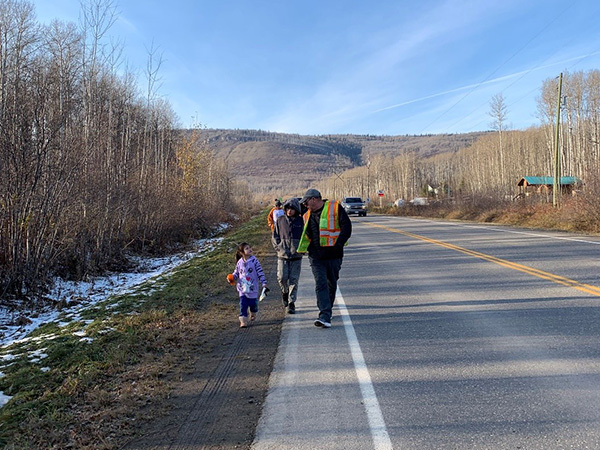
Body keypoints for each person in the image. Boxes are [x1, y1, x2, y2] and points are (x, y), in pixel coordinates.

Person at [298, 188, 352, 328]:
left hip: (334, 255)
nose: (305, 205)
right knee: (320, 283)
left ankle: (327, 310)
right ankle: (324, 315)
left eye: (306, 202)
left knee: (331, 284)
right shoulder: (306, 215)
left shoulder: (334, 207)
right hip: (316, 257)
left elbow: (346, 227)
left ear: (314, 199)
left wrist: (338, 244)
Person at [272, 197, 304, 314]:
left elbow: (305, 237)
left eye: (292, 209)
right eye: (288, 208)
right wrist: (278, 248)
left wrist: (302, 249)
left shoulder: (301, 221)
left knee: (294, 280)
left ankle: (291, 302)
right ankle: (284, 293)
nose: (290, 211)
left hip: (296, 256)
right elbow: (275, 236)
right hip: (282, 255)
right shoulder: (280, 220)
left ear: (296, 210)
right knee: (282, 277)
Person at [227, 242, 267, 328]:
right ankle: (243, 321)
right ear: (241, 253)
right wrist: (232, 277)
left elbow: (260, 272)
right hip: (242, 288)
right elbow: (236, 273)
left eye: (250, 247)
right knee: (243, 305)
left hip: (252, 288)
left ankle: (253, 312)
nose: (250, 249)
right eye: (247, 248)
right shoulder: (239, 262)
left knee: (253, 304)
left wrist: (263, 282)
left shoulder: (254, 261)